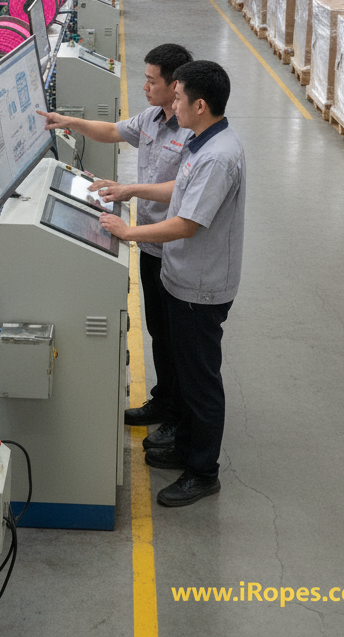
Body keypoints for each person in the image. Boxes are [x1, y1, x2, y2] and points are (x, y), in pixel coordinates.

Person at [98, 61, 245, 507]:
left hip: (201, 286)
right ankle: (184, 446)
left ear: (200, 105)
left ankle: (203, 472)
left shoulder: (219, 157)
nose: (171, 104)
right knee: (182, 370)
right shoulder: (201, 144)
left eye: (178, 98)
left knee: (201, 383)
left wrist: (128, 233)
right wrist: (131, 191)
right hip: (183, 278)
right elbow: (176, 190)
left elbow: (185, 224)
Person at [38, 43, 194, 447]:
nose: (143, 86)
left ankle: (180, 417)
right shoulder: (153, 119)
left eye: (151, 80)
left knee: (182, 341)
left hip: (177, 248)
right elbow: (112, 131)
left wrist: (130, 189)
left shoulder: (194, 127)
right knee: (159, 331)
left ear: (175, 84)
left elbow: (186, 188)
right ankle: (164, 401)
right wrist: (64, 120)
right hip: (151, 247)